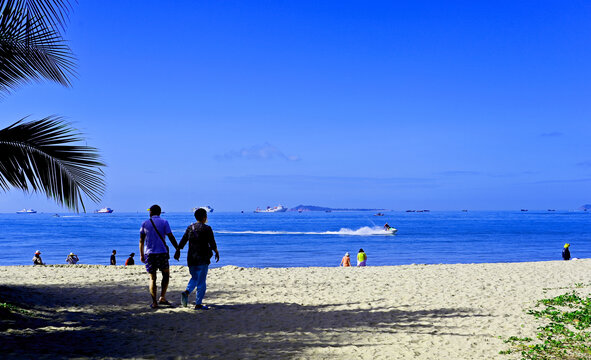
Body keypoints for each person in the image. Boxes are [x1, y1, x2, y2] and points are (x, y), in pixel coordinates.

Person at [176, 208, 219, 310]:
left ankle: (186, 292)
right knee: (201, 281)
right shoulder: (207, 228)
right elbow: (212, 242)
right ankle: (198, 304)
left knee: (194, 278)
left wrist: (178, 251)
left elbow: (183, 241)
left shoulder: (190, 227)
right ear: (205, 217)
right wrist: (216, 252)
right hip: (203, 258)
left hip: (191, 258)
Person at [140, 204, 180, 309]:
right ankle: (162, 297)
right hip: (162, 253)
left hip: (149, 254)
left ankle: (154, 302)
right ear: (160, 212)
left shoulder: (145, 223)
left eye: (150, 211)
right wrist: (177, 248)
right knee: (166, 275)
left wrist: (141, 254)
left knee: (152, 278)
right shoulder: (164, 222)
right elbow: (171, 236)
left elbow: (141, 241)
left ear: (151, 212)